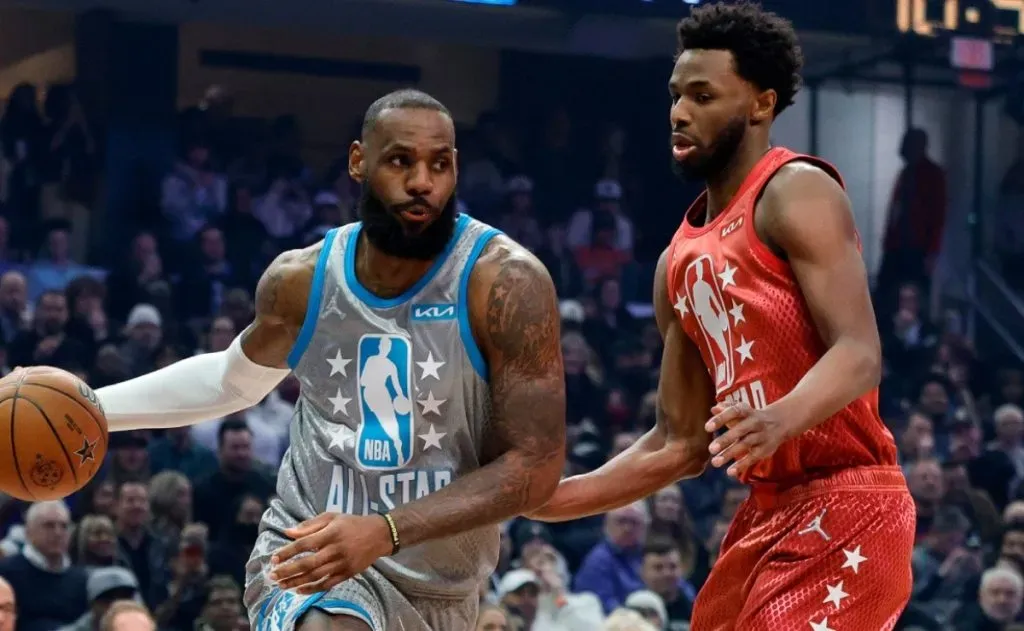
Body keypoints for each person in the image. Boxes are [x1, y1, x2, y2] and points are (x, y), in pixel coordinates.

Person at [89, 89, 566, 631]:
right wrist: (90, 406)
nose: (421, 182)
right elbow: (230, 383)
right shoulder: (301, 279)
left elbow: (536, 466)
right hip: (311, 554)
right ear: (358, 161)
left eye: (440, 164)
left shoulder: (505, 283)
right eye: (400, 160)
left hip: (442, 587)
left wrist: (384, 530)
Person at [529, 3, 914, 630]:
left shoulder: (795, 190)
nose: (680, 112)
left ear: (760, 104)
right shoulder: (675, 262)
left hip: (850, 497)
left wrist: (778, 418)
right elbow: (678, 443)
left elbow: (860, 352)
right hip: (766, 510)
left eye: (703, 96)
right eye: (676, 95)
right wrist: (548, 501)